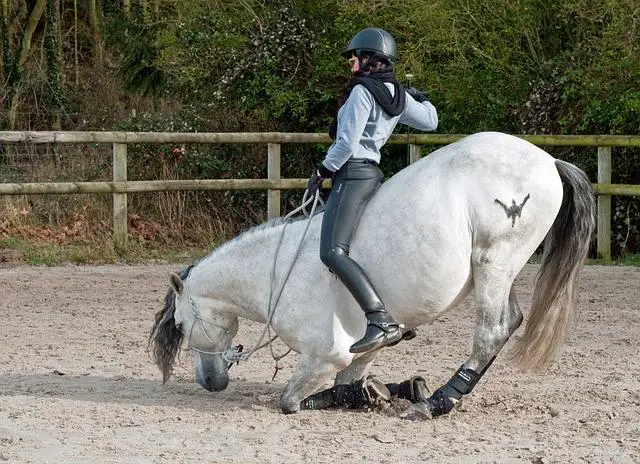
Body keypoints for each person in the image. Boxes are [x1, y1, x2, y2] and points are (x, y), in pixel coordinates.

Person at [307, 27, 438, 353]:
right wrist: (421, 97)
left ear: (370, 59)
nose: (351, 63)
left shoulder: (362, 92)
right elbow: (431, 121)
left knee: (332, 252)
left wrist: (323, 170)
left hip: (352, 174)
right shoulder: (397, 94)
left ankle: (380, 319)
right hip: (374, 175)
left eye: (355, 57)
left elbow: (346, 143)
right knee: (361, 249)